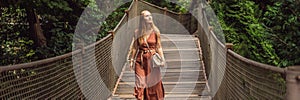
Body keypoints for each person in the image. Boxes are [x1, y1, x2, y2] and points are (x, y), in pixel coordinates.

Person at [129, 10, 165, 100]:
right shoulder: (137, 32)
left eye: (150, 15)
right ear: (142, 19)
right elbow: (135, 47)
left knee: (152, 83)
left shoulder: (156, 32)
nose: (150, 17)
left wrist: (162, 59)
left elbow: (159, 47)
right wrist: (132, 60)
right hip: (140, 60)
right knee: (140, 82)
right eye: (147, 16)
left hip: (152, 60)